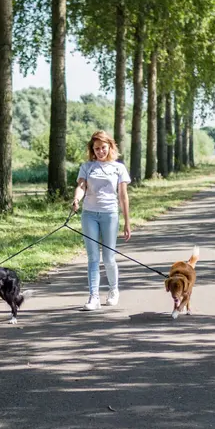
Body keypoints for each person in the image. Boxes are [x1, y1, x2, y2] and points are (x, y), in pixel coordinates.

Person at [71, 130, 132, 310]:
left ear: (110, 147)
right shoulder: (87, 167)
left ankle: (113, 290)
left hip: (110, 214)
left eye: (103, 147)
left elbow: (123, 196)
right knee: (92, 257)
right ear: (93, 149)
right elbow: (81, 186)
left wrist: (127, 222)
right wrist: (76, 199)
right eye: (96, 148)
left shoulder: (118, 168)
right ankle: (94, 297)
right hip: (89, 214)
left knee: (108, 258)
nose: (100, 151)